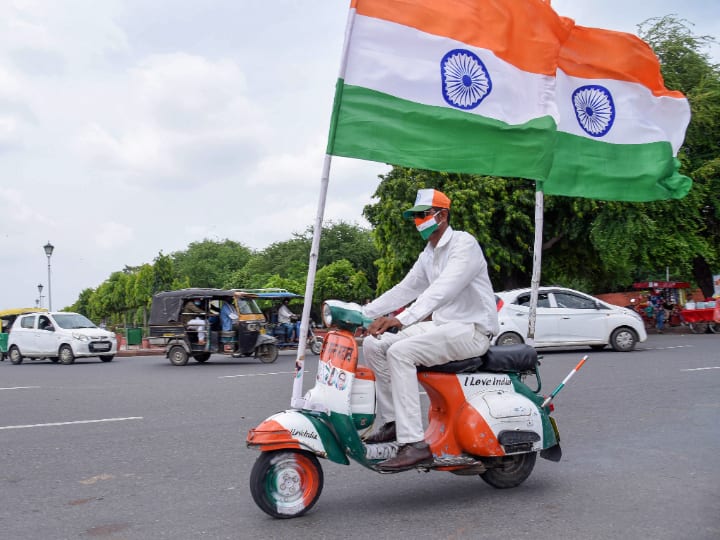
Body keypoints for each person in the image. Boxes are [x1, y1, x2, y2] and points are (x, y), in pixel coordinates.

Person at [361, 188, 499, 471]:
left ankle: (414, 445)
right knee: (374, 344)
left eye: (423, 214)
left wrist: (403, 318)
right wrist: (363, 314)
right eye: (415, 216)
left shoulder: (464, 245)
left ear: (443, 215)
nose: (419, 221)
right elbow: (407, 288)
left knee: (400, 352)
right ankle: (392, 422)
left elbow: (443, 290)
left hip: (471, 331)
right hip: (441, 327)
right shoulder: (429, 253)